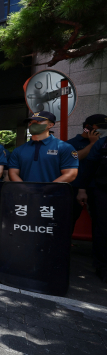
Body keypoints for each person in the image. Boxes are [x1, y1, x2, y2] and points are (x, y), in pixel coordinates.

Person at [76, 114, 107, 283]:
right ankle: (102, 266)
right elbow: (87, 167)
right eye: (98, 126)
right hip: (99, 191)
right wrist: (82, 189)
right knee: (102, 229)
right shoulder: (101, 144)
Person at [8, 111, 78, 183]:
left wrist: (46, 189)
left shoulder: (64, 147)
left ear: (50, 125)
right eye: (31, 122)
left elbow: (70, 174)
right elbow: (13, 173)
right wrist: (25, 189)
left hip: (53, 193)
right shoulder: (19, 150)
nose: (33, 124)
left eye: (38, 121)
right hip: (26, 193)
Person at [67, 114, 106, 222]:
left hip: (96, 188)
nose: (103, 130)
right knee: (70, 219)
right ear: (88, 127)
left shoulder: (103, 143)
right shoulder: (70, 143)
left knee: (99, 219)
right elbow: (73, 158)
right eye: (100, 127)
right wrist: (93, 143)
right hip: (74, 187)